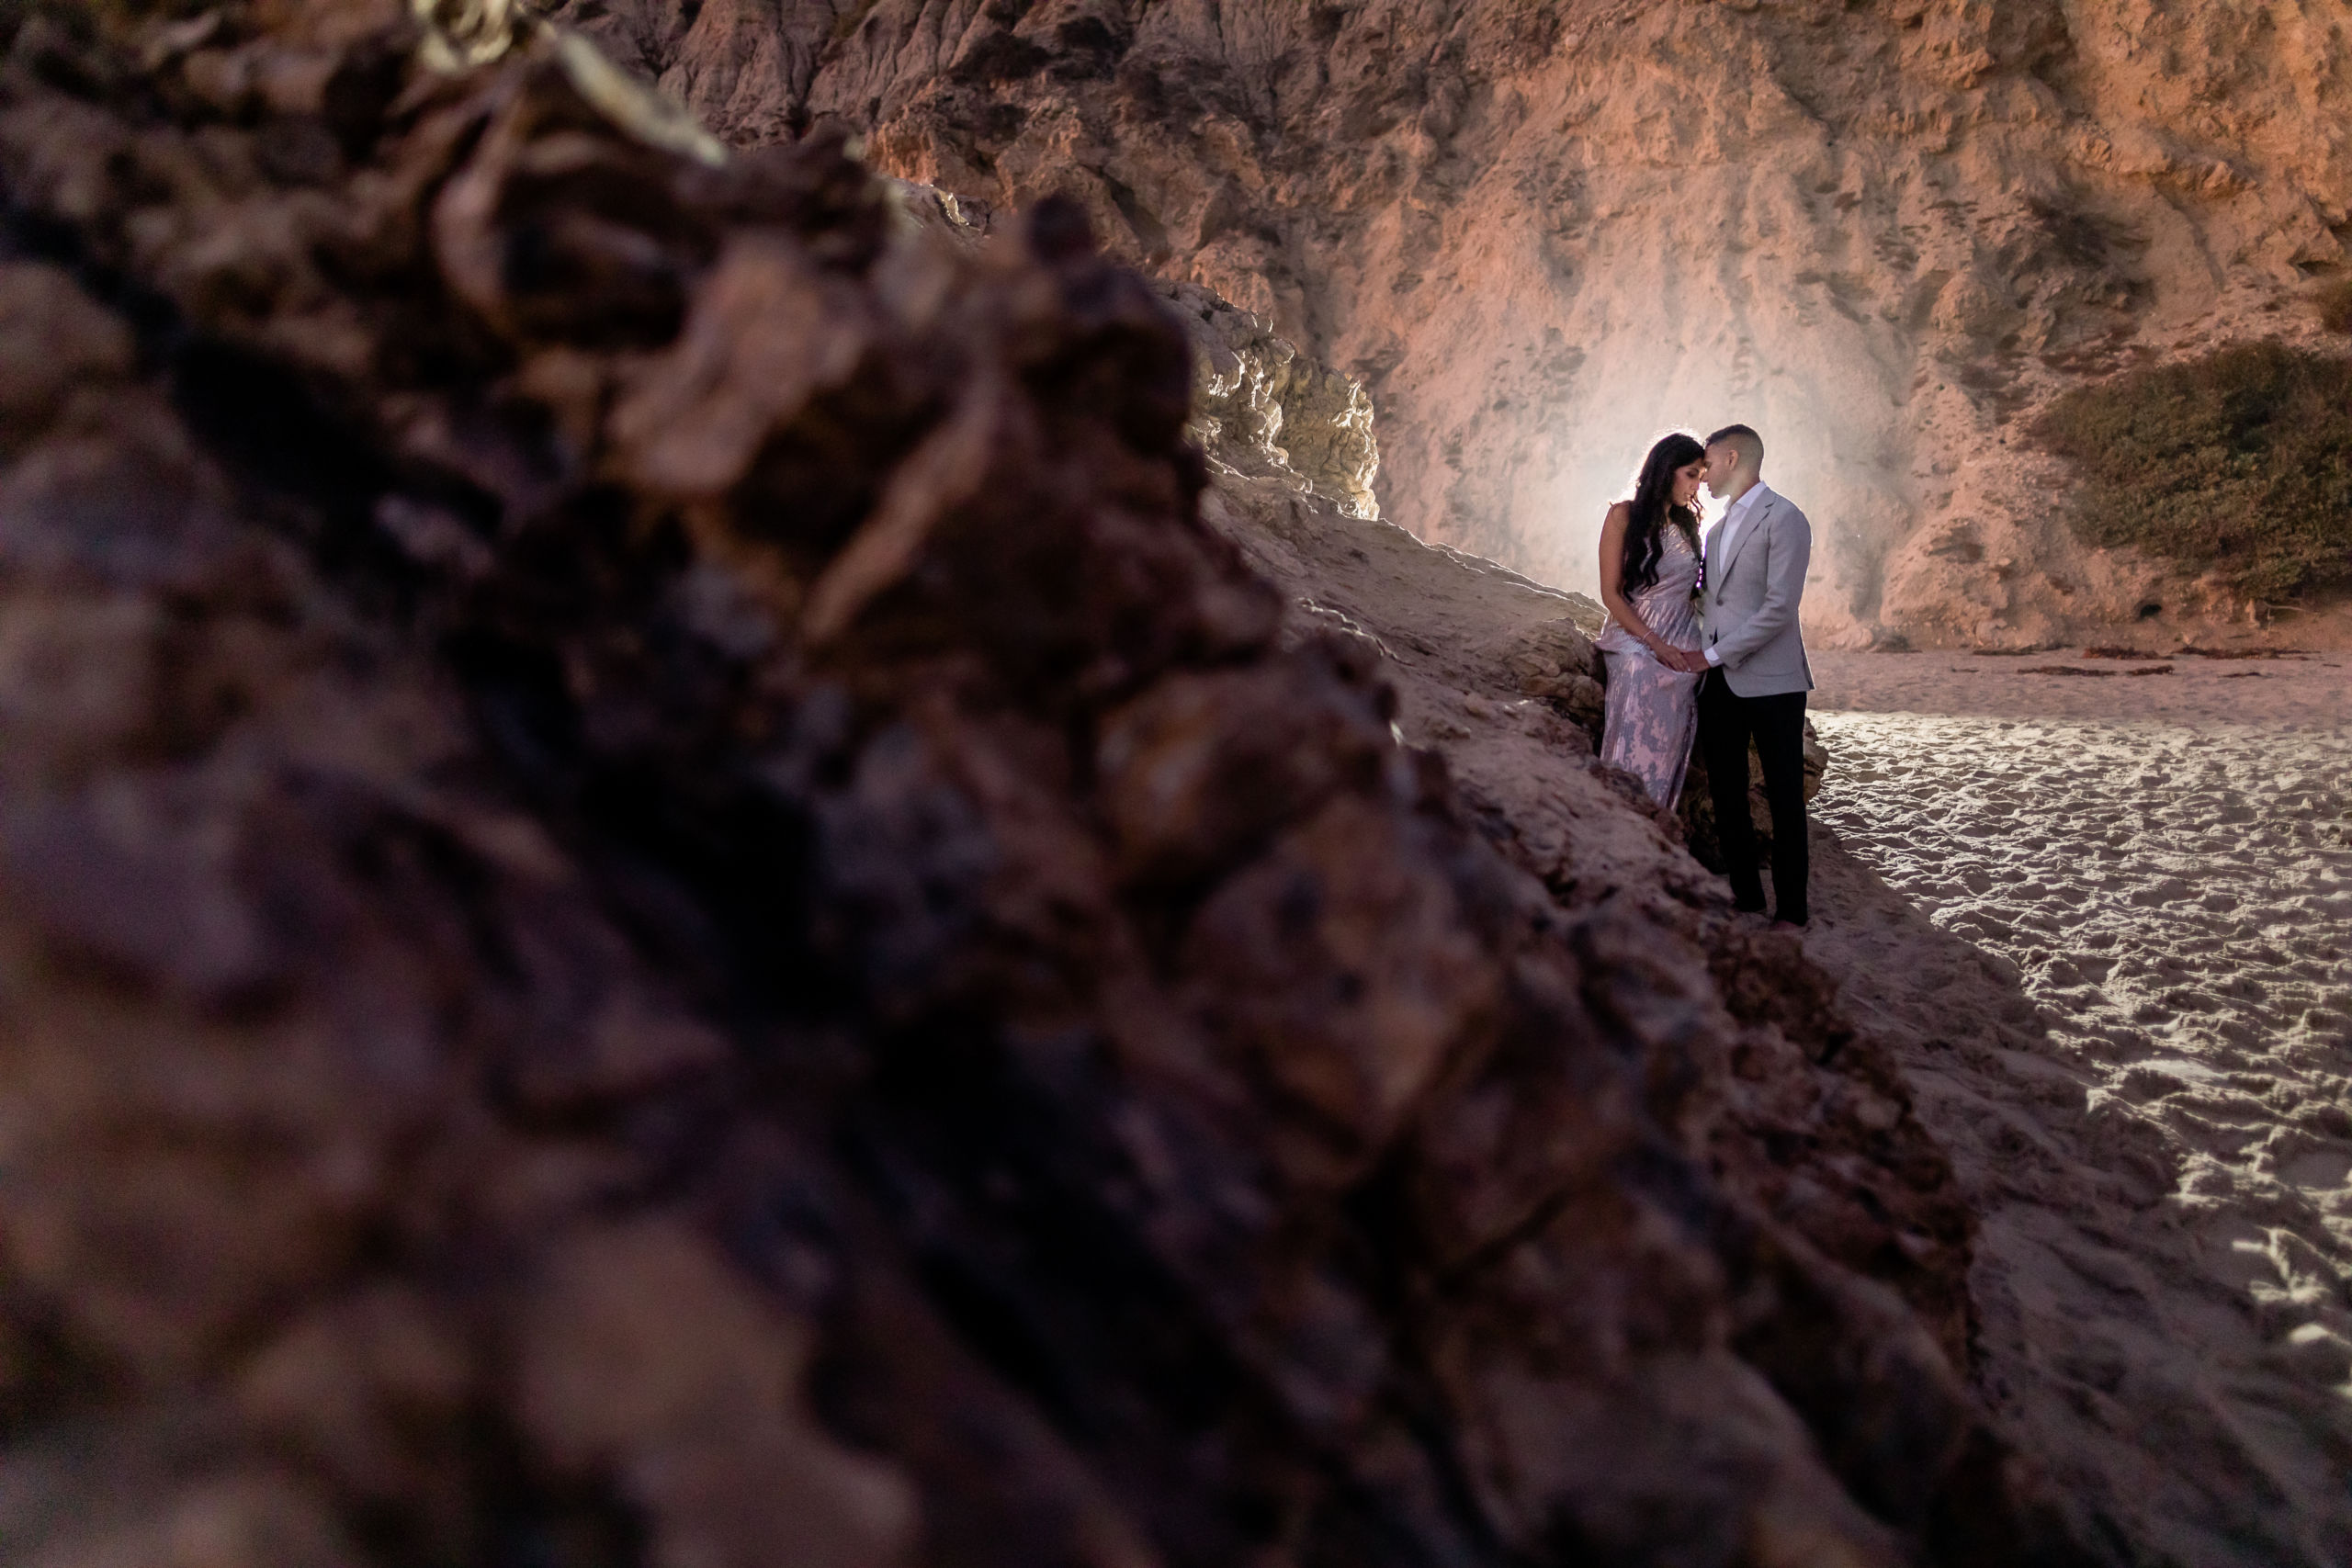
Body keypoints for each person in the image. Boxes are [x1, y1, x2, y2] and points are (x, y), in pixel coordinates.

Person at [1660, 423, 1815, 926]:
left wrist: (1713, 655)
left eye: (1708, 463)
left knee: (1786, 796)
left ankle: (1792, 910)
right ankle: (1747, 898)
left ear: (1732, 459)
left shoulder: (1786, 517)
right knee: (1727, 794)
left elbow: (1779, 609)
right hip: (1721, 683)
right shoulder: (1717, 530)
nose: (1702, 475)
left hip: (1774, 683)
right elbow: (1711, 601)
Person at [1592, 432, 1708, 808]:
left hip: (1684, 632)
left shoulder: (1689, 523)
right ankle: (1620, 808)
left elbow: (1697, 590)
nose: (1696, 486)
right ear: (1665, 470)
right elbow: (1611, 594)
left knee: (1688, 677)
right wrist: (1655, 643)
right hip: (1636, 630)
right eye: (1690, 474)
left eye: (1701, 478)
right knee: (1639, 670)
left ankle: (1656, 815)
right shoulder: (1623, 515)